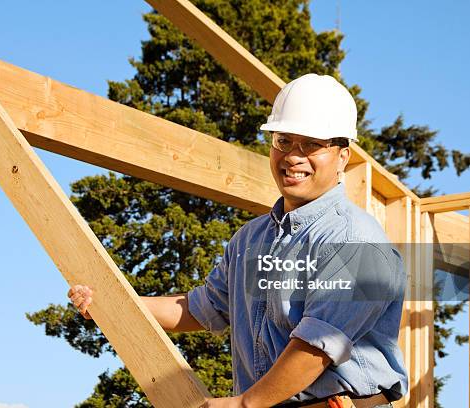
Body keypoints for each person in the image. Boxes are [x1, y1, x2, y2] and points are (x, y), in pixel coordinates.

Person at [68, 74, 408, 408]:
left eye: (312, 144)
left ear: (343, 155)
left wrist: (246, 403)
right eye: (283, 140)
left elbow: (318, 346)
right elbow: (199, 309)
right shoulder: (251, 239)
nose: (293, 155)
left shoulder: (356, 241)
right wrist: (111, 303)